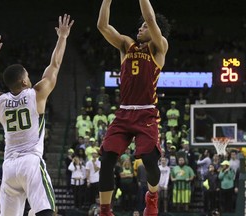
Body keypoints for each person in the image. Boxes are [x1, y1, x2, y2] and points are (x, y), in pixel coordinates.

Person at [0, 14, 74, 216]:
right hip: (30, 162)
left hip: (9, 167)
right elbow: (55, 65)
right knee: (47, 212)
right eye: (28, 75)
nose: (30, 77)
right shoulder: (36, 94)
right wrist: (62, 37)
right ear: (25, 82)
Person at [97, 0, 170, 215]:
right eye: (140, 27)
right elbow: (102, 26)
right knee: (107, 158)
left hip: (147, 112)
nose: (141, 28)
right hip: (124, 112)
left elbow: (149, 18)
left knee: (148, 159)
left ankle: (152, 196)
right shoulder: (126, 45)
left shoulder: (159, 47)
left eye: (145, 27)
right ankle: (105, 210)